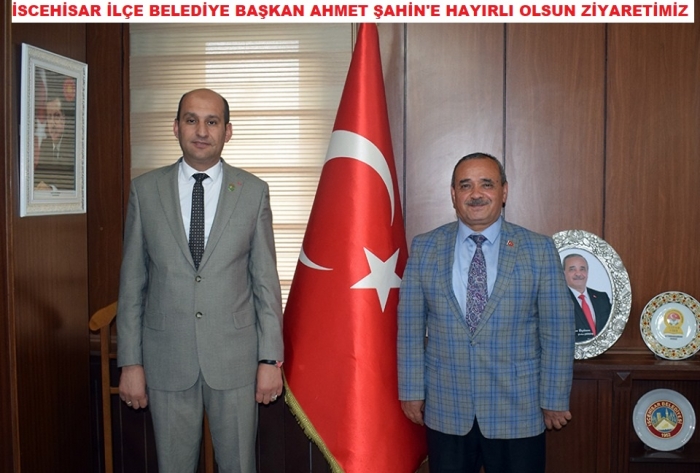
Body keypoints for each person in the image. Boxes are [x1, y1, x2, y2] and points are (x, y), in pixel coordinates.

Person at [117, 88, 284, 473]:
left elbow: (265, 282)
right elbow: (131, 284)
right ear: (176, 127)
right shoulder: (145, 190)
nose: (202, 131)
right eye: (191, 120)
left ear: (228, 131)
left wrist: (269, 359)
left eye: (213, 122)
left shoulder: (253, 192)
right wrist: (130, 362)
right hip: (166, 359)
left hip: (236, 360)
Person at [397, 152, 575, 473]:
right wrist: (411, 391)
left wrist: (554, 398)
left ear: (504, 191)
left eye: (487, 184)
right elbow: (409, 328)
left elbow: (558, 331)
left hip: (518, 410)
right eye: (465, 185)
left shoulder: (538, 249)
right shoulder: (425, 247)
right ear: (453, 194)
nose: (476, 194)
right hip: (447, 407)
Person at [563, 253, 612, 342]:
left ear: (587, 272)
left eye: (582, 269)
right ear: (563, 273)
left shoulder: (602, 298)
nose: (578, 273)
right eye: (572, 269)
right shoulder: (558, 300)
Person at [34, 93, 75, 190]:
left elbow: (71, 181)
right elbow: (38, 176)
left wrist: (51, 188)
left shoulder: (72, 145)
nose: (52, 123)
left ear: (64, 119)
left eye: (56, 115)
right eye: (49, 116)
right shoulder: (46, 144)